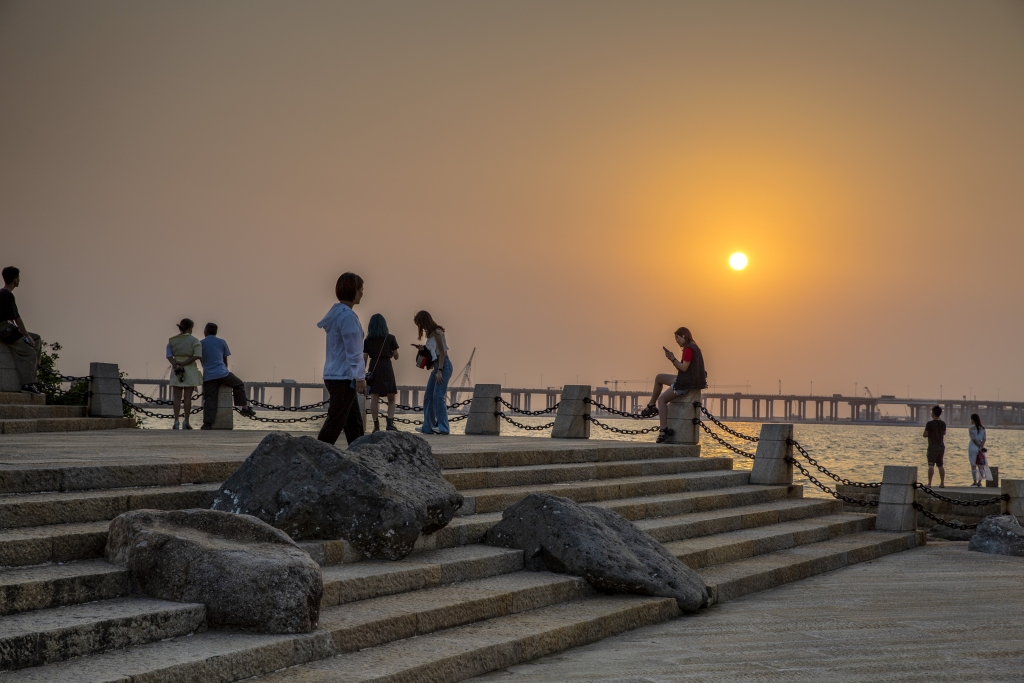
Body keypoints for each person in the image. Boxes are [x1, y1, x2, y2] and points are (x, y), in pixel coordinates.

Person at [317, 272, 367, 446]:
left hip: (334, 374)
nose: (362, 293)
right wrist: (360, 377)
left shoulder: (337, 314)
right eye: (360, 289)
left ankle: (361, 453)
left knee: (354, 423)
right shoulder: (347, 317)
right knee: (335, 422)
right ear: (353, 290)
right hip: (343, 377)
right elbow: (353, 350)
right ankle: (317, 454)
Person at [640, 326, 707, 443]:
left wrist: (672, 358)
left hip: (685, 383)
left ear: (684, 336)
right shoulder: (695, 347)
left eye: (677, 338)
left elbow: (683, 368)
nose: (676, 341)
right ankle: (651, 405)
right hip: (688, 380)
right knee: (659, 378)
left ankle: (663, 430)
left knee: (661, 400)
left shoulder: (689, 349)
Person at [199, 322, 256, 429]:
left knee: (210, 399)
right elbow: (225, 360)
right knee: (238, 384)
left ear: (205, 332)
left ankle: (207, 424)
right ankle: (244, 407)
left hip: (209, 376)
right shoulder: (222, 342)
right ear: (215, 332)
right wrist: (224, 370)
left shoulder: (200, 343)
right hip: (222, 373)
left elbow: (201, 359)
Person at [0, 267, 43, 394]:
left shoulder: (2, 293)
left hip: (7, 327)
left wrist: (29, 336)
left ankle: (34, 368)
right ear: (14, 280)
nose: (19, 280)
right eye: (18, 277)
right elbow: (17, 318)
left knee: (37, 338)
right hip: (4, 330)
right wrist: (26, 336)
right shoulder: (7, 294)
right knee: (29, 353)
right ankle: (27, 384)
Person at [414, 310, 452, 435]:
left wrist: (440, 371)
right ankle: (428, 427)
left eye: (420, 323)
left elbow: (442, 352)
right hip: (436, 366)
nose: (420, 326)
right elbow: (433, 352)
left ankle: (443, 427)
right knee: (428, 396)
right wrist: (422, 348)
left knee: (438, 396)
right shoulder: (429, 333)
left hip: (444, 366)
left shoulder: (437, 332)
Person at [363, 313, 400, 433]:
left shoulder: (368, 340)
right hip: (386, 367)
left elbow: (364, 358)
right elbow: (396, 357)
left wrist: (363, 374)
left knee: (374, 397)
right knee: (391, 397)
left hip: (374, 367)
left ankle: (376, 426)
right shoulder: (390, 338)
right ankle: (390, 423)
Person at [166, 318, 203, 430]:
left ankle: (176, 421)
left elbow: (168, 355)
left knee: (176, 397)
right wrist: (184, 363)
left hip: (177, 370)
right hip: (190, 370)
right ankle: (186, 421)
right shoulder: (194, 340)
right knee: (187, 398)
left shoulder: (172, 340)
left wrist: (176, 364)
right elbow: (197, 355)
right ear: (190, 328)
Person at [923, 405, 946, 487]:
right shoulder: (943, 423)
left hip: (932, 447)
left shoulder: (929, 423)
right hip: (941, 447)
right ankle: (942, 483)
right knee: (940, 465)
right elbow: (944, 433)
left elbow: (925, 434)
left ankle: (929, 483)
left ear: (932, 414)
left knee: (931, 465)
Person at [968, 413, 987, 487]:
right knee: (980, 465)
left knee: (973, 465)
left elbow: (973, 439)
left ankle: (975, 482)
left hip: (972, 447)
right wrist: (981, 446)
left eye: (971, 419)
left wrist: (978, 446)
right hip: (980, 449)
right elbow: (984, 439)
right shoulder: (983, 428)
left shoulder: (970, 429)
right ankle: (980, 482)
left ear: (972, 420)